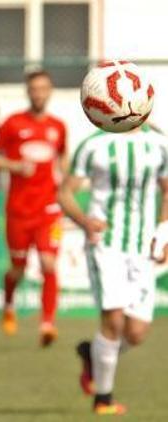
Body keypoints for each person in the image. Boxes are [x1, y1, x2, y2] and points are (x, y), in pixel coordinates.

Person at [59, 124, 168, 415]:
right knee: (114, 320)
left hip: (143, 247)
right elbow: (65, 194)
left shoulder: (158, 144)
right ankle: (103, 399)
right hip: (104, 243)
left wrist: (164, 233)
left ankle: (92, 356)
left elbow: (167, 190)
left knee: (136, 333)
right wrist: (84, 221)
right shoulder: (94, 144)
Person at [0, 70, 67, 346]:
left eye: (44, 88)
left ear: (50, 91)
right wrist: (14, 166)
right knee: (17, 269)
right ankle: (8, 304)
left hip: (49, 209)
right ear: (28, 92)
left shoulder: (58, 126)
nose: (39, 93)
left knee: (49, 263)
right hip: (19, 210)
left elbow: (63, 154)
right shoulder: (14, 124)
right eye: (34, 89)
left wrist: (63, 179)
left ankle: (47, 324)